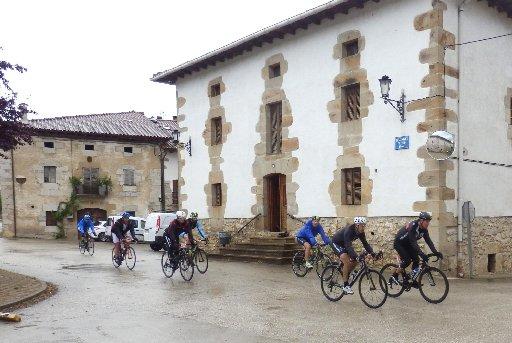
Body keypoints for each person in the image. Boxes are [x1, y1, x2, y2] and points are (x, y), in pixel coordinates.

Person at [391, 212, 443, 286]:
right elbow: (413, 242)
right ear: (421, 221)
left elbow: (428, 241)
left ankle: (412, 279)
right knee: (407, 260)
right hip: (399, 243)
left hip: (408, 244)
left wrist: (435, 252)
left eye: (429, 221)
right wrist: (421, 253)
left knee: (416, 260)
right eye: (427, 221)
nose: (428, 223)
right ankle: (394, 276)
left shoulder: (424, 229)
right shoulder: (413, 226)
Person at [330, 216, 376, 295]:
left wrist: (372, 253)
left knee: (354, 261)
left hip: (344, 245)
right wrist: (355, 256)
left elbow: (365, 244)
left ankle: (346, 275)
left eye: (364, 225)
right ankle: (345, 286)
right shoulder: (349, 230)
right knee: (346, 260)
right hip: (336, 243)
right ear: (357, 225)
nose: (364, 227)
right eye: (362, 225)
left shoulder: (361, 232)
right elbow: (348, 246)